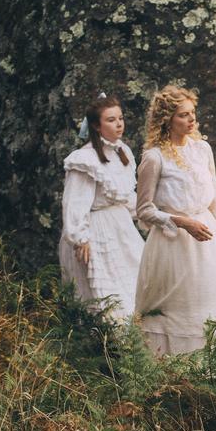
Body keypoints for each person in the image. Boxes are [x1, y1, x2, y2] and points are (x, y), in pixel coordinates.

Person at [134, 85, 216, 355]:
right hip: (174, 244)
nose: (191, 119)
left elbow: (215, 198)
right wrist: (181, 222)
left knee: (211, 304)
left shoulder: (202, 150)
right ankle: (175, 371)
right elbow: (144, 209)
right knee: (180, 308)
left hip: (209, 242)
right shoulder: (154, 157)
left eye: (192, 113)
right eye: (183, 115)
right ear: (167, 119)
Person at [59, 93, 144, 320]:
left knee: (137, 279)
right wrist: (80, 238)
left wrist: (149, 213)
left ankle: (141, 341)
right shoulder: (85, 160)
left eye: (120, 118)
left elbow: (125, 197)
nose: (119, 124)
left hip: (121, 227)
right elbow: (74, 201)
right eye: (111, 120)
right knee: (107, 293)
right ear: (97, 126)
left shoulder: (121, 152)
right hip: (96, 229)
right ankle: (110, 344)